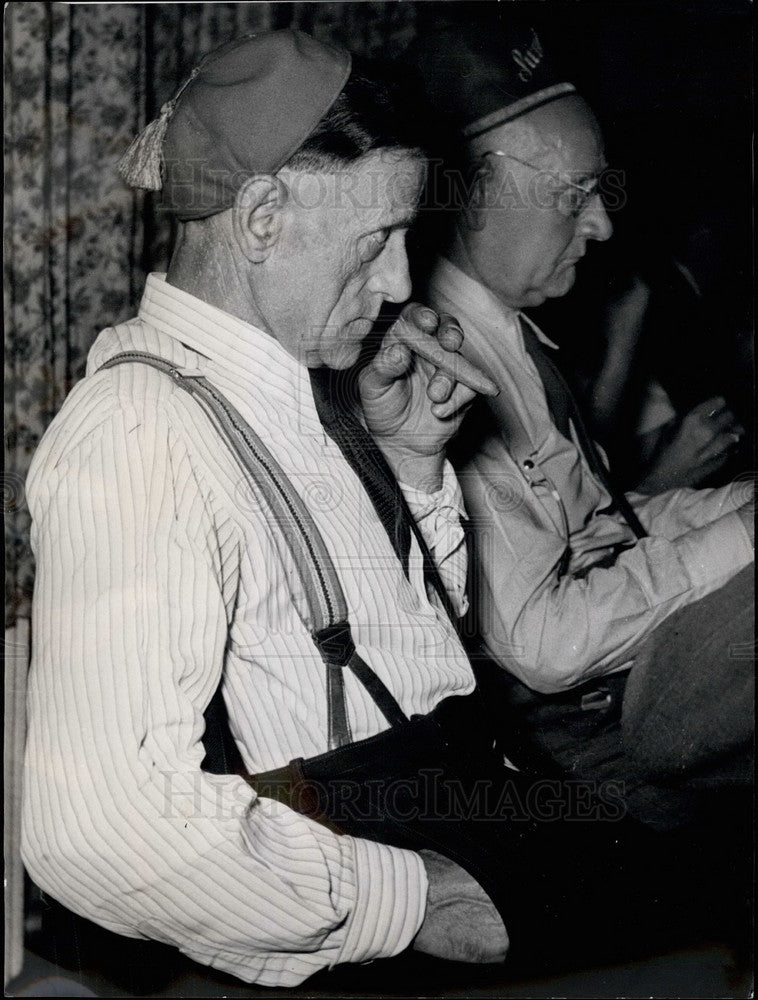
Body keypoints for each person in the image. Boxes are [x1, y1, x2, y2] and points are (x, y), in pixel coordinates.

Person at [22, 29, 700, 990]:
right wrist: (415, 901)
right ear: (260, 218)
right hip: (382, 888)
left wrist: (415, 469)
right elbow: (96, 827)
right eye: (377, 242)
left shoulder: (291, 379)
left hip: (466, 795)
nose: (396, 285)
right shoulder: (137, 430)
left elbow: (395, 656)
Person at [411, 24, 754, 826]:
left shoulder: (515, 337)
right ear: (471, 193)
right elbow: (546, 641)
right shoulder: (449, 372)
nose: (600, 225)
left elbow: (604, 532)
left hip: (627, 691)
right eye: (574, 196)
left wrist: (732, 510)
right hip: (585, 739)